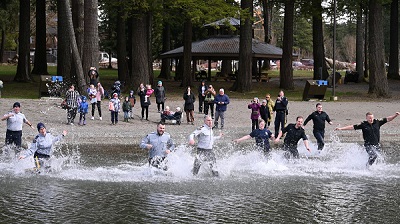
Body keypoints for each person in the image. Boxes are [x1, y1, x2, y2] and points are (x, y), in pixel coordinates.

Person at [335, 112, 400, 167]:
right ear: (366, 118)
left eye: (372, 118)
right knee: (373, 155)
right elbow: (352, 127)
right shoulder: (363, 124)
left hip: (376, 144)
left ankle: (370, 166)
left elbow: (388, 119)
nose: (371, 119)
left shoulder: (377, 122)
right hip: (368, 145)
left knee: (378, 157)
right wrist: (341, 128)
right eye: (369, 118)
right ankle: (367, 167)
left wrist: (395, 115)